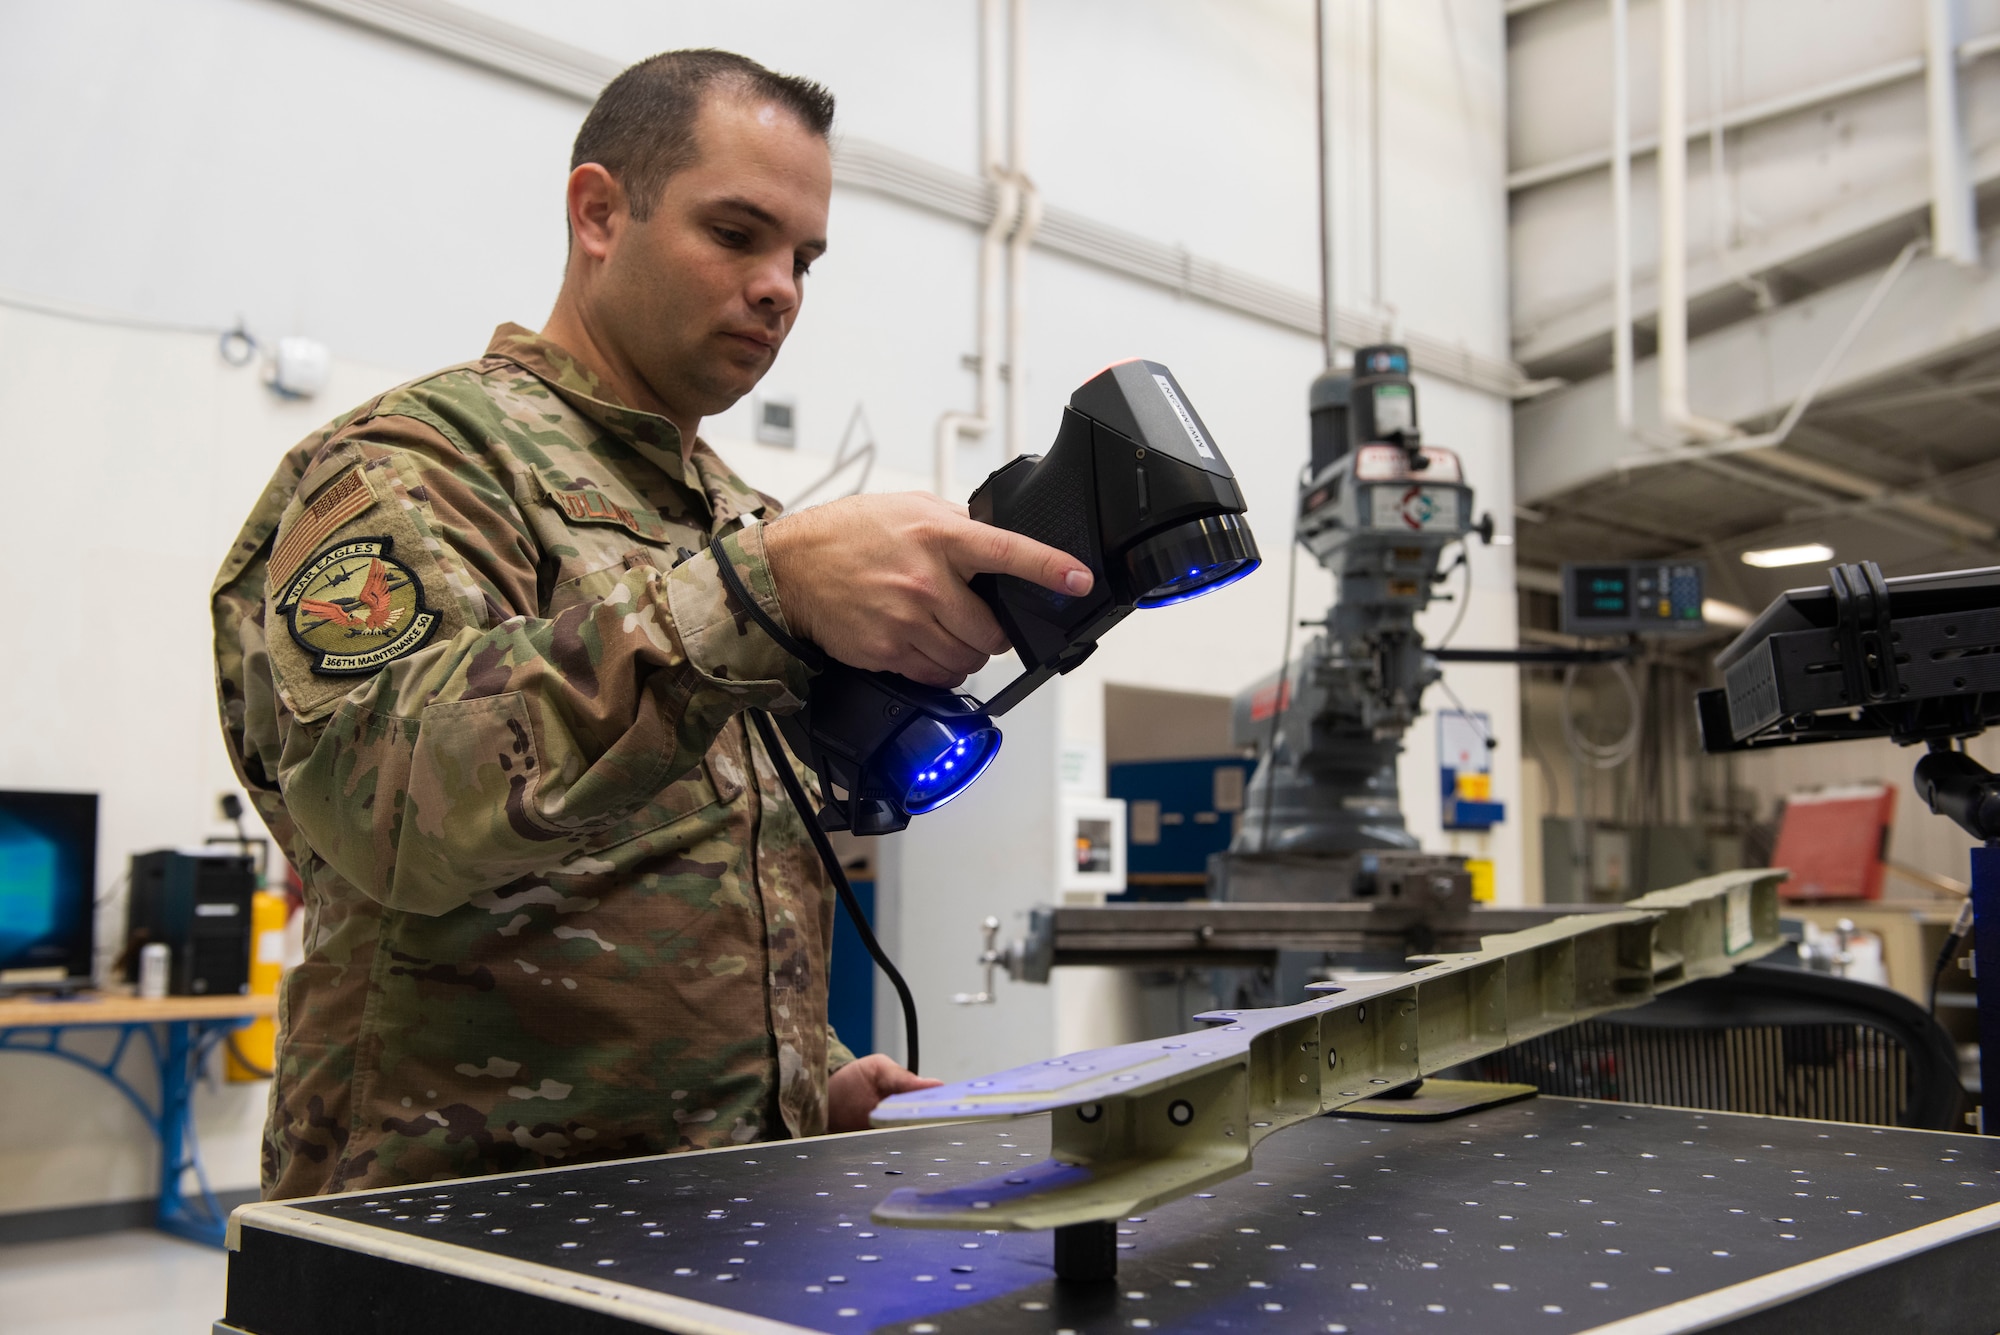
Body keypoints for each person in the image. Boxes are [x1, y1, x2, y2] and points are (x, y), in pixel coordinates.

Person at [210, 48, 1092, 1200]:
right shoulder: (418, 465)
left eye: (804, 259)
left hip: (710, 1212)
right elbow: (385, 808)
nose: (779, 286)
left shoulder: (733, 516)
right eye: (736, 235)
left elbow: (686, 870)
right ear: (598, 213)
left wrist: (803, 1077)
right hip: (448, 1218)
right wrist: (754, 592)